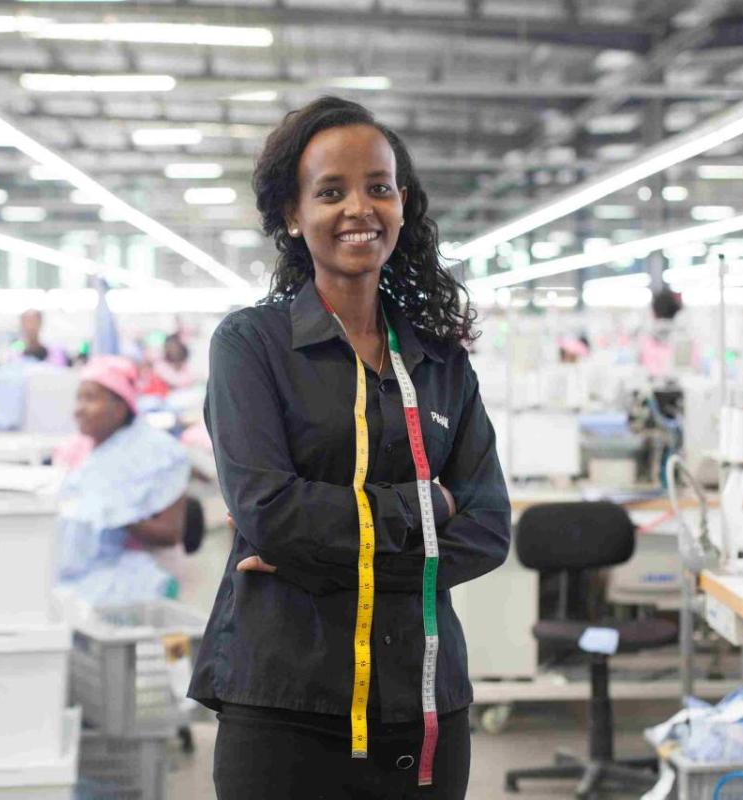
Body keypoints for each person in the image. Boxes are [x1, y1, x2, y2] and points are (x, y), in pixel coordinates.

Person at [189, 97, 511, 799]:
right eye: (330, 192)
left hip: (424, 704)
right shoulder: (251, 347)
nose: (359, 208)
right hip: (288, 706)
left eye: (379, 187)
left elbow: (488, 530)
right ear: (290, 215)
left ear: (402, 203)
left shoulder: (440, 362)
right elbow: (270, 512)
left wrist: (321, 565)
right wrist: (427, 506)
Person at [54, 355, 192, 606]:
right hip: (84, 569)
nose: (78, 409)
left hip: (144, 565)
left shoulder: (160, 454)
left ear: (120, 407)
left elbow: (170, 533)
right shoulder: (75, 450)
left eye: (90, 398)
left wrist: (116, 513)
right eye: (79, 397)